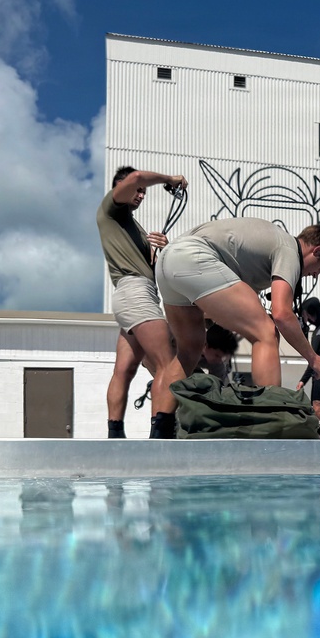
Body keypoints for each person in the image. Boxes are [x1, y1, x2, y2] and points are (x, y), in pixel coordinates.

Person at [152, 218, 320, 437]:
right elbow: (282, 314)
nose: (315, 275)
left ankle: (160, 431)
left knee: (189, 350)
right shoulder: (290, 250)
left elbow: (224, 304)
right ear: (316, 251)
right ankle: (274, 427)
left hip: (168, 260)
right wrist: (313, 359)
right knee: (266, 331)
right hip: (195, 258)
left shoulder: (264, 248)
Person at [97, 165, 188, 438]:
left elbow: (153, 269)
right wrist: (169, 179)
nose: (141, 194)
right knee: (168, 363)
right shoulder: (111, 209)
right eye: (137, 190)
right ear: (120, 187)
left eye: (143, 192)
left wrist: (162, 248)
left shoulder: (130, 226)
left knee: (124, 370)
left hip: (133, 294)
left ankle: (115, 436)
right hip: (135, 293)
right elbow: (136, 176)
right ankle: (160, 434)